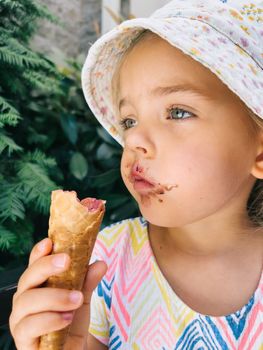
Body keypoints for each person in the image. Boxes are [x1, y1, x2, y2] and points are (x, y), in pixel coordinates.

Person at [10, 0, 263, 349]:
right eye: (129, 120)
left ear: (260, 151)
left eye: (177, 112)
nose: (135, 140)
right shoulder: (104, 263)